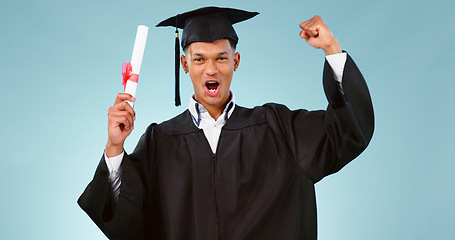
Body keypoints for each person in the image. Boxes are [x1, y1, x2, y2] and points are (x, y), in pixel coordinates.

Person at [78, 6, 374, 240]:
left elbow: (347, 133)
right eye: (199, 59)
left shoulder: (277, 127)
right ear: (185, 65)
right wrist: (115, 147)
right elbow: (127, 222)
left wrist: (332, 49)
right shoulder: (160, 140)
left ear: (236, 61)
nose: (211, 69)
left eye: (221, 58)